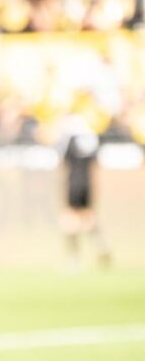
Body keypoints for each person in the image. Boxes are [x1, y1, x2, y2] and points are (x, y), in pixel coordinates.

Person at [59, 113, 111, 270]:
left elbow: (63, 161)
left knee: (69, 221)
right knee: (88, 218)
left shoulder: (71, 139)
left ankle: (74, 258)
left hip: (74, 183)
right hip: (87, 184)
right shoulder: (91, 138)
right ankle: (102, 246)